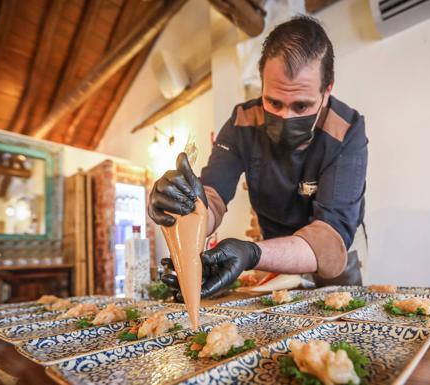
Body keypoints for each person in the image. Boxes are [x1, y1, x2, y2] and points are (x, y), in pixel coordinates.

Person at [148, 16, 368, 298]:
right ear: (262, 83)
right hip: (274, 256)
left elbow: (328, 237)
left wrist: (251, 253)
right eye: (273, 102)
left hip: (333, 262)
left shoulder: (347, 130)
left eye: (301, 105)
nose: (285, 116)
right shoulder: (242, 122)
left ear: (327, 91)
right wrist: (183, 205)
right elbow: (211, 197)